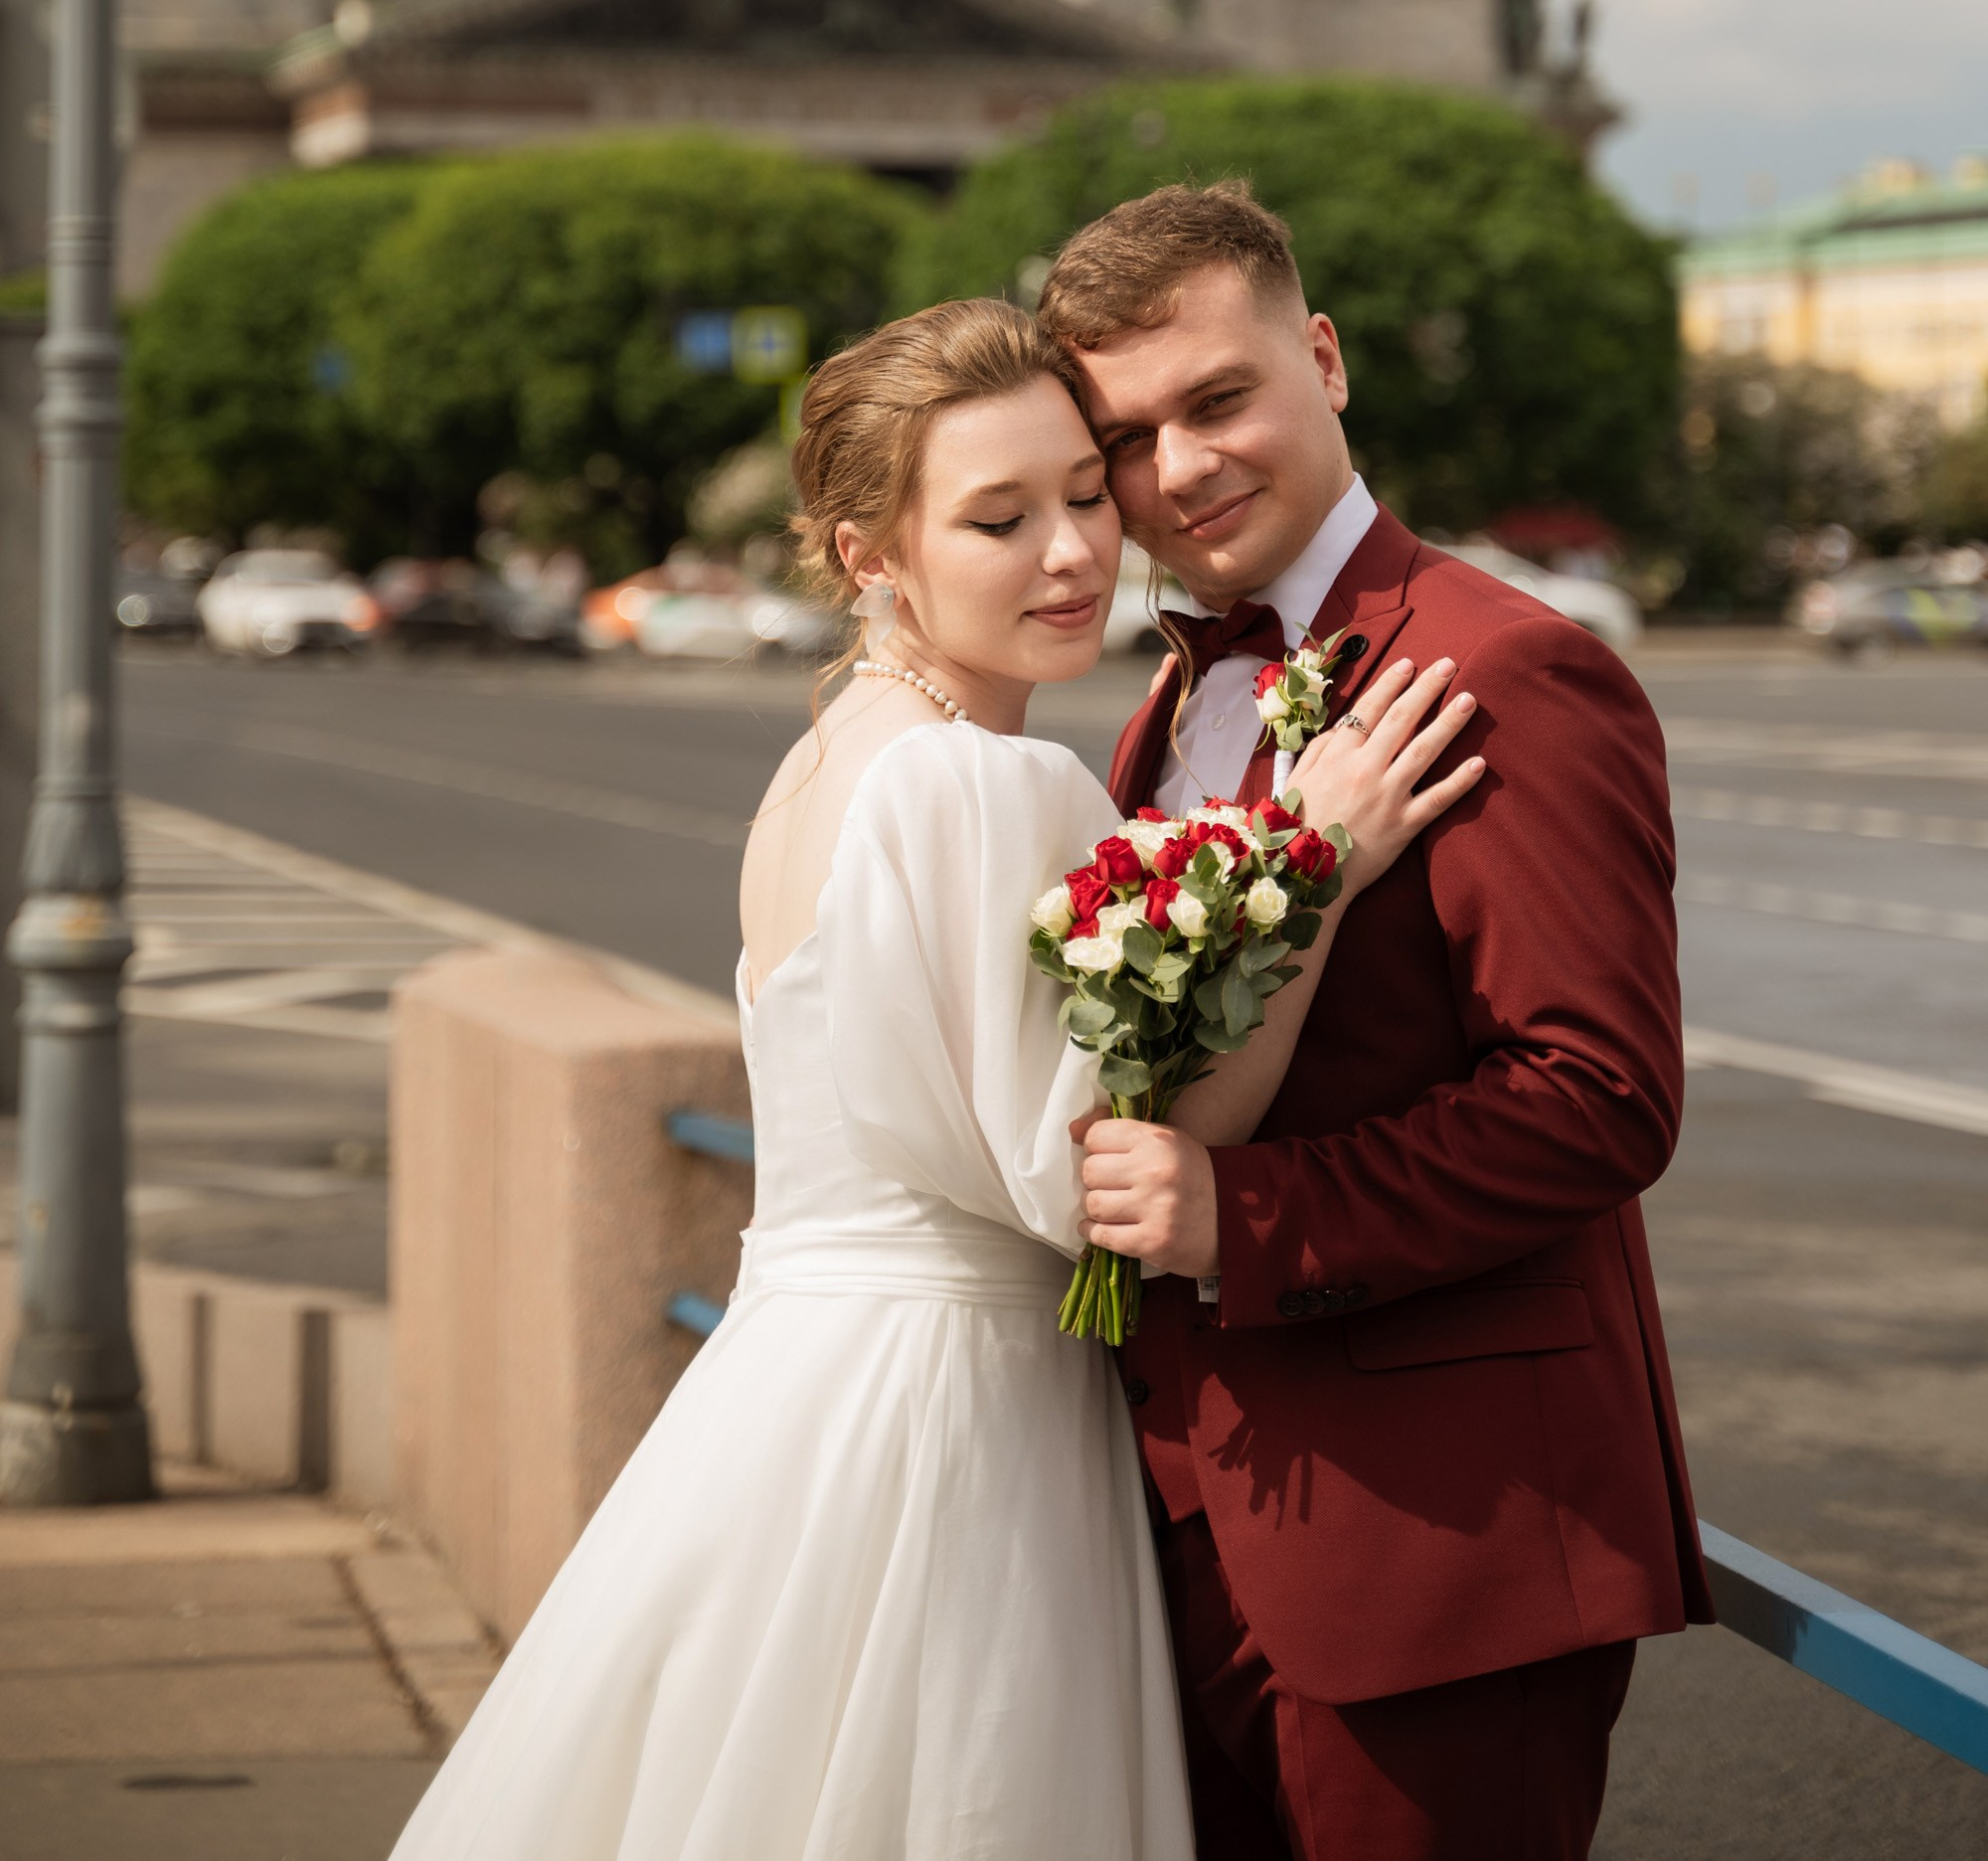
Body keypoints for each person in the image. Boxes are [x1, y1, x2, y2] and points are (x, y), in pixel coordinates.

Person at [386, 298, 1480, 1861]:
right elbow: (1103, 1180)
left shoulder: (828, 759)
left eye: (1086, 497)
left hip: (791, 1390)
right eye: (998, 517)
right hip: (953, 1416)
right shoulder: (982, 780)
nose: (1071, 553)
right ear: (866, 554)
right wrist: (1318, 866)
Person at [1039, 180, 1715, 1861]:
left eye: (1220, 399)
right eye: (1127, 438)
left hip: (1446, 1544)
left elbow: (1598, 1096)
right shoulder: (1173, 703)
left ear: (1324, 360)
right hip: (1194, 1516)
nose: (1179, 467)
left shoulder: (1508, 667)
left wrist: (1240, 1219)